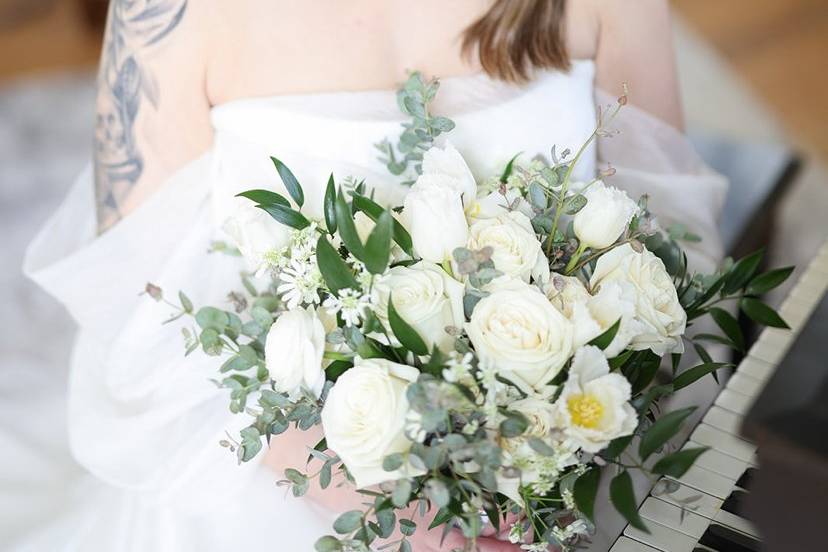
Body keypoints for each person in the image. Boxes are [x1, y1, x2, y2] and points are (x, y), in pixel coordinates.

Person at [14, 1, 725, 550]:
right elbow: (142, 314)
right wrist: (391, 513)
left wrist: (546, 450)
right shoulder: (170, 13)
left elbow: (665, 239)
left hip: (551, 482)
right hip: (278, 487)